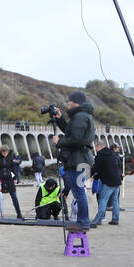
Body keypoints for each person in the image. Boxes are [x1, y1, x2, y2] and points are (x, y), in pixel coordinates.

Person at [51, 91, 96, 228]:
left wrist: (59, 142)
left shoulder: (80, 117)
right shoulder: (82, 116)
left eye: (69, 101)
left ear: (75, 102)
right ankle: (83, 220)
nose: (68, 103)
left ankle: (83, 221)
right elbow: (73, 133)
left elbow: (76, 139)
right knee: (79, 190)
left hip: (78, 161)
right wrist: (60, 120)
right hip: (83, 160)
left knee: (78, 191)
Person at [90, 142, 124, 226]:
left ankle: (98, 219)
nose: (96, 150)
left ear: (99, 147)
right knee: (115, 201)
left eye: (96, 148)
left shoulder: (100, 155)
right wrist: (96, 177)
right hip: (117, 180)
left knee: (103, 200)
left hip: (108, 181)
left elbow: (97, 167)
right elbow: (112, 167)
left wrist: (89, 174)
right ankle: (115, 219)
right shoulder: (113, 153)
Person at [0, 146, 23, 219]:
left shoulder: (10, 156)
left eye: (6, 152)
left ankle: (19, 214)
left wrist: (15, 177)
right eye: (4, 152)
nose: (5, 153)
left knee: (14, 196)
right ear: (1, 152)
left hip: (9, 179)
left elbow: (13, 168)